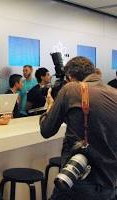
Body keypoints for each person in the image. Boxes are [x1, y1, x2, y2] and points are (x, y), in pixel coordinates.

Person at [39, 56, 117, 200]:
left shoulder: (71, 89)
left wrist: (50, 106)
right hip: (110, 182)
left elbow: (46, 130)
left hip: (79, 182)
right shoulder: (113, 92)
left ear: (71, 77)